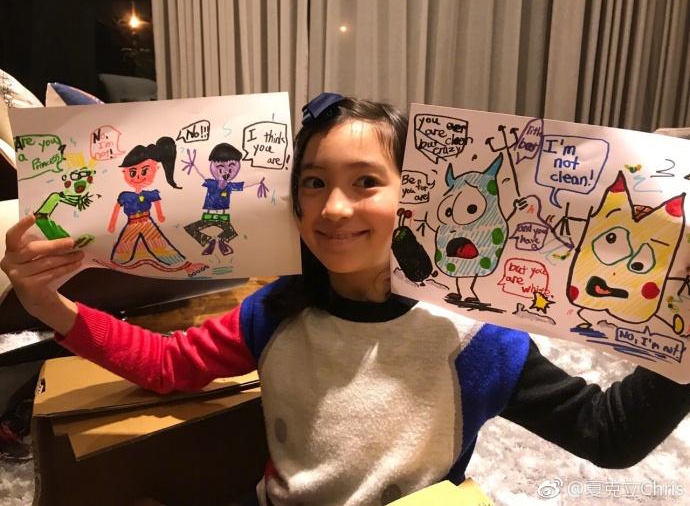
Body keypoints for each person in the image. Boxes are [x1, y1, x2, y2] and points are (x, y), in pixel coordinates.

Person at [3, 93, 690, 506]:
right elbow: (168, 365)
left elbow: (605, 433)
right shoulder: (275, 310)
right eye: (313, 182)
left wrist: (681, 335)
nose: (334, 208)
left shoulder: (476, 338)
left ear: (414, 195)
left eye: (365, 182)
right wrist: (48, 305)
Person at [107, 136, 206, 277]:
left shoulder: (150, 194)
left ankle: (184, 266)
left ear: (155, 169)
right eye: (132, 172)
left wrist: (160, 215)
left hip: (146, 221)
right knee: (125, 243)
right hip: (132, 222)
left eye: (144, 171)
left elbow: (157, 203)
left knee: (159, 242)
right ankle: (115, 263)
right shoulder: (125, 195)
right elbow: (117, 208)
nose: (138, 177)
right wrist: (112, 224)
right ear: (124, 172)